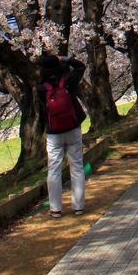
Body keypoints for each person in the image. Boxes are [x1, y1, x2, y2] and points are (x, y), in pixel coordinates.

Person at [37, 53, 87, 218]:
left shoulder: (41, 89)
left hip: (54, 133)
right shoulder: (67, 80)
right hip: (73, 128)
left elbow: (42, 112)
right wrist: (65, 59)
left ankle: (56, 209)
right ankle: (78, 206)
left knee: (54, 170)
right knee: (77, 167)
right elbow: (80, 66)